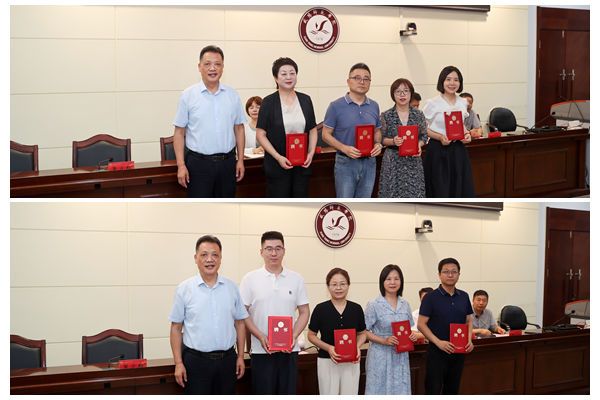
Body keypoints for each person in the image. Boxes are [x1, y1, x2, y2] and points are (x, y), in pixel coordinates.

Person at [168, 235, 248, 395]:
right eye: (204, 255)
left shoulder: (232, 288)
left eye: (215, 255)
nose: (209, 259)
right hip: (196, 362)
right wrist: (178, 363)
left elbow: (240, 323)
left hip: (228, 361)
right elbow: (176, 328)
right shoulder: (184, 289)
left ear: (220, 259)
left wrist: (240, 356)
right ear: (195, 258)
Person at [240, 231, 310, 394]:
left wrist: (293, 335)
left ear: (284, 251)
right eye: (269, 249)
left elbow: (304, 311)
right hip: (261, 350)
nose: (273, 253)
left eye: (278, 248)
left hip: (289, 350)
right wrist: (260, 336)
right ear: (261, 252)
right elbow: (243, 312)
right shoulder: (250, 279)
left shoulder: (296, 279)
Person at [173, 45, 246, 197]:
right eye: (207, 64)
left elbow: (239, 129)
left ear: (223, 67)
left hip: (228, 163)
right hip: (198, 165)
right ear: (199, 67)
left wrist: (240, 160)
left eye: (217, 64)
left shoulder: (232, 95)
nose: (213, 68)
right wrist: (181, 165)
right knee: (200, 207)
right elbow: (179, 133)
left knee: (226, 206)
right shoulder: (188, 95)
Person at [256, 57, 318, 197]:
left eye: (292, 73)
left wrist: (310, 153)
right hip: (277, 165)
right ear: (276, 78)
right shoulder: (268, 102)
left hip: (302, 164)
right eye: (283, 74)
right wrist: (278, 157)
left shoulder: (305, 99)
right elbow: (260, 134)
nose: (289, 77)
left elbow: (312, 129)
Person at [322, 63, 383, 198]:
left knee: (364, 205)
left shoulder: (374, 105)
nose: (362, 82)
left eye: (366, 79)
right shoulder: (335, 106)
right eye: (357, 78)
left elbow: (377, 131)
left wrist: (378, 144)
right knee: (346, 204)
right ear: (348, 81)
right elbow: (325, 135)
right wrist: (344, 148)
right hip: (346, 162)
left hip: (369, 162)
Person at [417, 257, 474, 395]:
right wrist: (438, 343)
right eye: (446, 271)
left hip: (459, 352)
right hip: (437, 352)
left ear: (459, 274)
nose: (450, 275)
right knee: (433, 390)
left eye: (454, 272)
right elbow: (421, 324)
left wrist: (469, 340)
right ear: (439, 274)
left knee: (452, 390)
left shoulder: (464, 296)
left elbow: (468, 320)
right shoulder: (430, 297)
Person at [307, 268, 367, 395]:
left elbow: (362, 333)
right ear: (328, 286)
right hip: (327, 361)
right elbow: (311, 335)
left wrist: (356, 347)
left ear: (348, 285)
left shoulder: (356, 309)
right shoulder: (320, 309)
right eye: (334, 284)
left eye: (342, 284)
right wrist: (329, 348)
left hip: (351, 361)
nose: (338, 288)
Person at [422, 66, 475, 198]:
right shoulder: (433, 103)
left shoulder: (463, 102)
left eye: (456, 80)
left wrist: (467, 134)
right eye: (448, 79)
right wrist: (440, 137)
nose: (452, 83)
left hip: (457, 150)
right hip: (438, 150)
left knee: (459, 188)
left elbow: (461, 125)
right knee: (440, 188)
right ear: (442, 81)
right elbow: (423, 128)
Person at [364, 264, 416, 395]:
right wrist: (383, 340)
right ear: (382, 282)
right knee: (379, 389)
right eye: (388, 279)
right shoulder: (373, 304)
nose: (392, 282)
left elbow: (408, 329)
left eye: (396, 279)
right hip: (380, 355)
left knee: (400, 389)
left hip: (400, 355)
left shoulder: (405, 304)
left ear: (401, 281)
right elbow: (364, 332)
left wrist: (412, 336)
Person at [378, 78, 428, 198]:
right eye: (398, 91)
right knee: (391, 195)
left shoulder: (418, 114)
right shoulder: (386, 115)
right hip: (393, 161)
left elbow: (424, 136)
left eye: (406, 91)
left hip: (413, 161)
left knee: (415, 195)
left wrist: (418, 145)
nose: (402, 94)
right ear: (393, 95)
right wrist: (393, 141)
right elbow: (381, 139)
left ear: (411, 93)